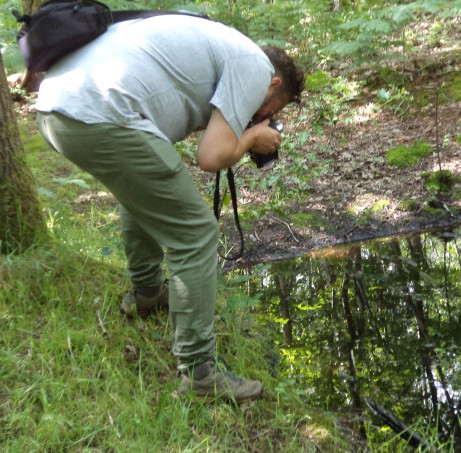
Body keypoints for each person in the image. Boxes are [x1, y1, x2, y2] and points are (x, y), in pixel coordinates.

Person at [35, 14, 305, 403]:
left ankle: (146, 293)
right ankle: (199, 374)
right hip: (98, 113)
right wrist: (251, 137)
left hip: (57, 109)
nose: (263, 117)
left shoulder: (219, 46)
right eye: (269, 111)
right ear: (273, 84)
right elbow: (211, 157)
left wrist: (243, 129)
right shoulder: (255, 67)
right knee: (195, 234)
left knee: (145, 192)